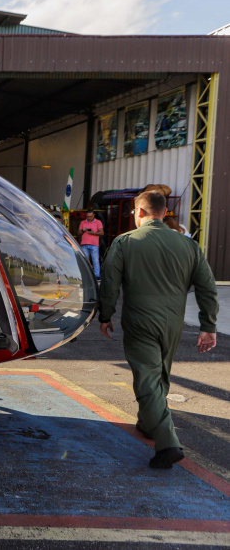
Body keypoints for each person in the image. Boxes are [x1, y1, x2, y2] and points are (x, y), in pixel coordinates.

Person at [99, 190, 218, 469]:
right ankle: (147, 423)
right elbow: (207, 288)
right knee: (160, 372)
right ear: (164, 213)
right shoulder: (188, 245)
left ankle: (168, 443)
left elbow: (110, 284)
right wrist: (208, 326)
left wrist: (106, 315)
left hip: (140, 320)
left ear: (139, 212)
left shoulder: (125, 242)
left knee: (147, 378)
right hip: (173, 322)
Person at [79, 210, 105, 280]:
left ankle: (97, 276)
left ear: (93, 216)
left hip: (94, 244)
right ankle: (85, 275)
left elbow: (102, 232)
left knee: (95, 260)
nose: (89, 218)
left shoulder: (98, 222)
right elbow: (78, 233)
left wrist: (93, 233)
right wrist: (83, 230)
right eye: (87, 216)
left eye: (90, 216)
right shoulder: (83, 222)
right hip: (84, 244)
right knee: (85, 261)